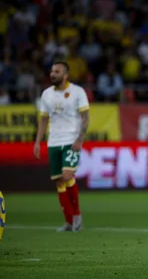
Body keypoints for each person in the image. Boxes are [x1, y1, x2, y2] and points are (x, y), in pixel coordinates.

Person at [34, 61, 89, 232]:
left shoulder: (77, 92)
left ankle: (77, 215)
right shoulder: (46, 94)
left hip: (71, 140)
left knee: (67, 175)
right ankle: (69, 222)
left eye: (56, 72)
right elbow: (43, 119)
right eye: (51, 71)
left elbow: (85, 117)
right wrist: (37, 141)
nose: (52, 74)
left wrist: (80, 139)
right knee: (59, 182)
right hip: (53, 142)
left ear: (65, 75)